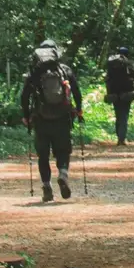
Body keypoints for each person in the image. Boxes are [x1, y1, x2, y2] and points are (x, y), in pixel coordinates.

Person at [20, 40, 83, 201]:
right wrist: (79, 110)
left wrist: (26, 116)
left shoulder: (34, 74)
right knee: (63, 151)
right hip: (62, 118)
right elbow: (76, 92)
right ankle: (62, 174)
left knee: (43, 155)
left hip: (41, 119)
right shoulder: (65, 70)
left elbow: (25, 96)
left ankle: (47, 186)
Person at [103, 45, 134, 143]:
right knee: (124, 115)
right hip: (127, 93)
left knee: (118, 114)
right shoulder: (129, 64)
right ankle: (122, 138)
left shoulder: (112, 64)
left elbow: (107, 78)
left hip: (114, 93)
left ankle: (119, 136)